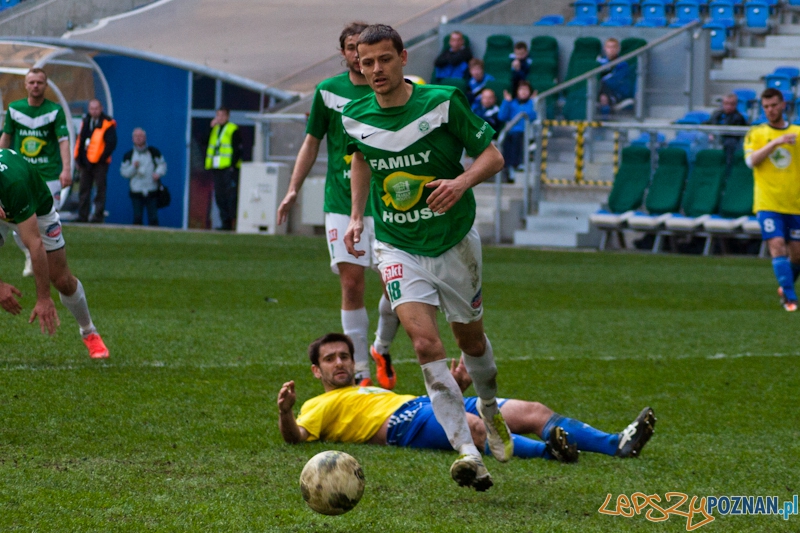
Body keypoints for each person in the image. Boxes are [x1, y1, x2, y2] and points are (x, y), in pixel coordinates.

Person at [342, 24, 508, 492]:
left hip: (453, 239)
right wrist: (357, 215)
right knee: (423, 345)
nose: (374, 69)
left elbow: (491, 157)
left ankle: (491, 411)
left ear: (403, 58)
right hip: (397, 244)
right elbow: (360, 158)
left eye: (383, 59)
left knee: (470, 340)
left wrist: (460, 183)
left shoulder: (441, 101)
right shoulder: (354, 116)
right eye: (365, 60)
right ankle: (467, 452)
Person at [277, 333, 656, 463]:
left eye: (344, 355)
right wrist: (286, 413)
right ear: (317, 371)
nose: (340, 363)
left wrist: (455, 390)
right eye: (330, 359)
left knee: (532, 411)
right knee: (475, 429)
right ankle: (549, 451)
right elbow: (296, 437)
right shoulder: (316, 406)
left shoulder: (366, 388)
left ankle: (615, 444)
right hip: (400, 425)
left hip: (421, 405)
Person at [276, 21, 400, 390]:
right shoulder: (328, 91)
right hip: (341, 203)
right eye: (350, 48)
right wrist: (293, 189)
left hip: (389, 202)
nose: (356, 55)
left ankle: (381, 347)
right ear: (345, 52)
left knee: (396, 287)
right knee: (352, 284)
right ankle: (362, 371)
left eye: (359, 48)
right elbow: (312, 142)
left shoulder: (393, 90)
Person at [0, 148, 109, 358]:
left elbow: (35, 244)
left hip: (36, 212)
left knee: (62, 280)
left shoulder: (14, 184)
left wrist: (43, 298)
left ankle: (89, 331)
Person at [0, 68, 72, 277]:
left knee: (46, 220)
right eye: (31, 82)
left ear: (45, 85)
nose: (35, 86)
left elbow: (63, 140)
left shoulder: (54, 111)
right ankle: (32, 254)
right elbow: (6, 137)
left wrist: (66, 169)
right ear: (25, 85)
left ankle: (49, 259)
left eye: (39, 82)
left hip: (47, 175)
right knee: (19, 223)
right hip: (18, 174)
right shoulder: (15, 109)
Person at [743, 88, 800, 312]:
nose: (770, 110)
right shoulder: (756, 133)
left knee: (797, 253)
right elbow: (751, 161)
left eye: (774, 105)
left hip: (794, 203)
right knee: (777, 246)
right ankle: (790, 298)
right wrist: (775, 143)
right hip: (767, 203)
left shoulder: (797, 132)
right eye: (766, 107)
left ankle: (784, 286)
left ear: (783, 105)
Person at [205, 107, 242, 230]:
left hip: (228, 169)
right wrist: (210, 128)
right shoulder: (215, 130)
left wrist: (232, 166)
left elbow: (237, 149)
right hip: (217, 168)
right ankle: (225, 223)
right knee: (219, 196)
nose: (219, 118)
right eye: (218, 115)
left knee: (230, 196)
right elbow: (204, 141)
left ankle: (233, 222)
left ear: (227, 116)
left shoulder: (232, 129)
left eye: (222, 115)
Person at [120, 128, 167, 226]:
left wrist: (158, 173)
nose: (138, 138)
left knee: (153, 217)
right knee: (137, 217)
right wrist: (133, 167)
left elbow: (162, 165)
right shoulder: (129, 155)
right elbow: (124, 172)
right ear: (132, 139)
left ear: (145, 138)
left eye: (140, 136)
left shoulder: (153, 152)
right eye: (136, 136)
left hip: (151, 190)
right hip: (136, 191)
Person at [498, 81, 537, 182]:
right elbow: (502, 116)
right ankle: (508, 167)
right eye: (521, 89)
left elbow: (533, 116)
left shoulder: (531, 103)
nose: (523, 92)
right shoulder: (512, 103)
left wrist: (533, 102)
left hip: (526, 132)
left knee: (517, 139)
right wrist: (506, 102)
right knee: (505, 141)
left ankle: (518, 163)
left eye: (526, 90)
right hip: (511, 132)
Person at [707, 93, 748, 172]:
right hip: (716, 140)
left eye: (731, 104)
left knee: (730, 143)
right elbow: (709, 123)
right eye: (726, 104)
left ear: (735, 105)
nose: (728, 106)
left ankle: (728, 171)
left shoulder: (738, 117)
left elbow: (736, 134)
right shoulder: (717, 114)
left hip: (731, 142)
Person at [597, 38, 632, 117]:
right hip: (600, 90)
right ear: (605, 48)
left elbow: (616, 81)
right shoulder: (600, 62)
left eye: (613, 47)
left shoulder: (623, 64)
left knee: (604, 98)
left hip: (616, 92)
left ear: (618, 49)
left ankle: (604, 124)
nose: (611, 50)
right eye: (609, 47)